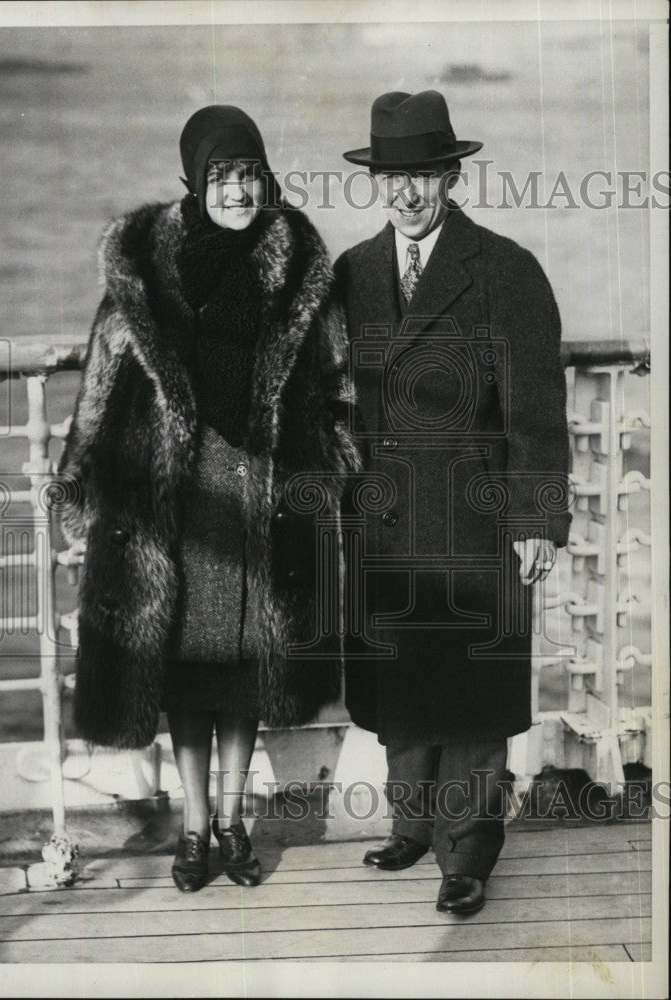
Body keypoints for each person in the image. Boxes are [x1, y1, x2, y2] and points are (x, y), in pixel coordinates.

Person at [58, 104, 360, 892]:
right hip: (177, 502)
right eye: (223, 177)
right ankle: (195, 829)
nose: (238, 191)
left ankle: (232, 822)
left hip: (264, 500)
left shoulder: (296, 262)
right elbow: (99, 379)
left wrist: (340, 465)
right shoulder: (146, 265)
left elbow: (335, 384)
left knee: (245, 674)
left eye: (250, 176)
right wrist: (76, 473)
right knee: (190, 679)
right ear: (194, 180)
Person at [335, 90, 571, 915]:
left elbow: (538, 408)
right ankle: (410, 827)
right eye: (393, 176)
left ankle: (467, 854)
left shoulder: (503, 269)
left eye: (424, 176)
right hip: (386, 518)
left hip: (473, 517)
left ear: (451, 175)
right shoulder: (353, 272)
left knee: (471, 694)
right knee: (402, 683)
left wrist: (538, 517)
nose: (407, 193)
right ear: (375, 181)